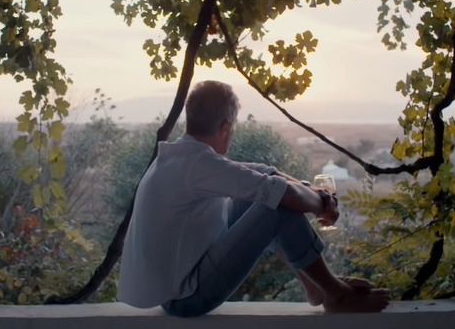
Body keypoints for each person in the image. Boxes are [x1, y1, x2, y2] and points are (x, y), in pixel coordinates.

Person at [117, 80, 390, 317]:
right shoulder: (197, 165)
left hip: (180, 281)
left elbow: (261, 173)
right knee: (275, 207)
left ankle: (314, 285)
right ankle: (335, 294)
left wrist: (311, 191)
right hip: (185, 299)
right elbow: (282, 194)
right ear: (225, 127)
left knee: (267, 193)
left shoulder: (183, 156)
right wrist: (324, 205)